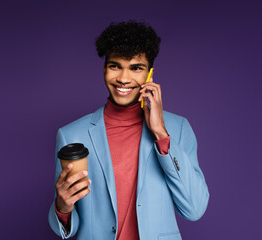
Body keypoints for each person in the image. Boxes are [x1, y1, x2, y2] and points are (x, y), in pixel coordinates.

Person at [48, 20, 209, 240]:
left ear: (150, 74)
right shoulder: (71, 134)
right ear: (104, 68)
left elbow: (195, 208)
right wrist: (62, 207)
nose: (124, 79)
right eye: (115, 66)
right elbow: (66, 227)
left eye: (136, 68)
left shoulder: (178, 128)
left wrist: (161, 134)